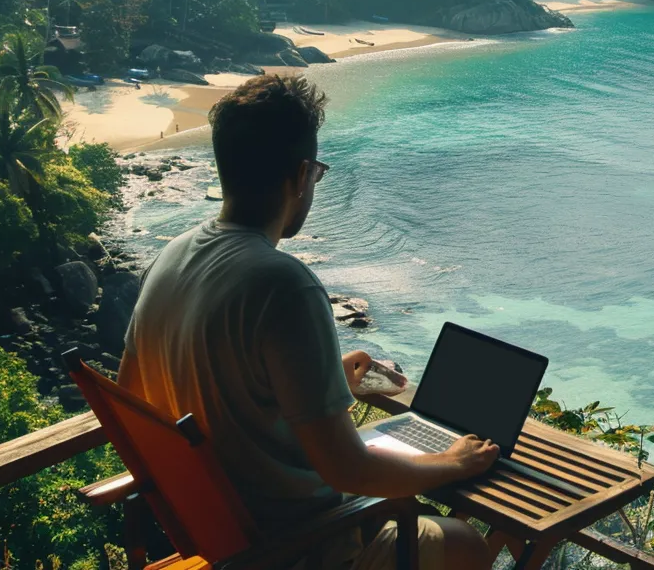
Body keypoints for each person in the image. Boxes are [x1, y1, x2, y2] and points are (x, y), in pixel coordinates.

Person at [120, 74, 500, 570]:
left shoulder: (172, 255)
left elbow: (133, 394)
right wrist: (454, 462)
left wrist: (319, 382)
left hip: (217, 534)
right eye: (316, 176)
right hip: (294, 546)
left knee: (420, 513)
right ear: (300, 177)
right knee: (466, 541)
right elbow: (349, 469)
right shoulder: (283, 283)